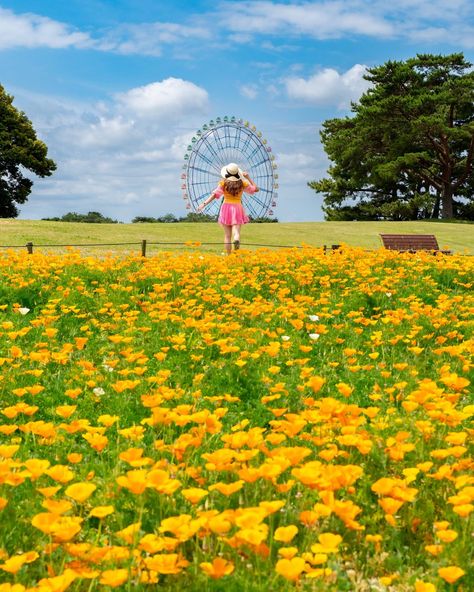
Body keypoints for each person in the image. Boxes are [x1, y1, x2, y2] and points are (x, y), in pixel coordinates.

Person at [198, 163, 259, 254]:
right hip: (238, 207)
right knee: (236, 232)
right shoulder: (243, 183)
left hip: (226, 207)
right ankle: (236, 239)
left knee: (227, 235)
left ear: (227, 173)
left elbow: (214, 195)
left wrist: (204, 203)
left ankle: (229, 255)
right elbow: (256, 189)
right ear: (238, 173)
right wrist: (248, 178)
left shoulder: (223, 183)